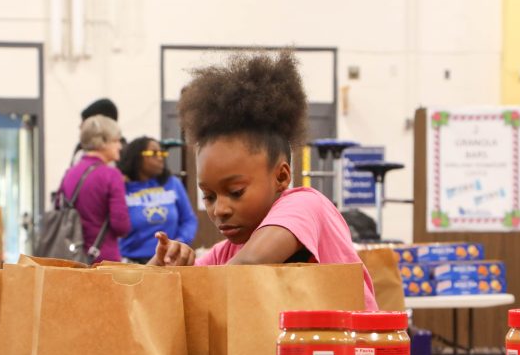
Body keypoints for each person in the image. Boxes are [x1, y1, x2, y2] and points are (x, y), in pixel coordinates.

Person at [149, 50, 378, 311]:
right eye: (209, 196)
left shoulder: (305, 204)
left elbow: (246, 268)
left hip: (359, 352)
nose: (219, 210)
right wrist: (162, 269)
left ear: (281, 176)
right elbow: (149, 300)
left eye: (235, 191)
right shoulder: (226, 253)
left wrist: (185, 282)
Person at [60, 115, 131, 262]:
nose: (120, 146)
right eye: (116, 140)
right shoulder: (112, 175)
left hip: (71, 258)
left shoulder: (70, 173)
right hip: (104, 260)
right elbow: (121, 226)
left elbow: (59, 210)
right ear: (103, 141)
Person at [118, 137, 197, 263]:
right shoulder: (122, 187)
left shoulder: (172, 184)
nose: (160, 157)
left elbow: (189, 220)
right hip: (132, 264)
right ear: (136, 157)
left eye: (162, 153)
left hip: (168, 260)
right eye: (154, 153)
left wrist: (179, 242)